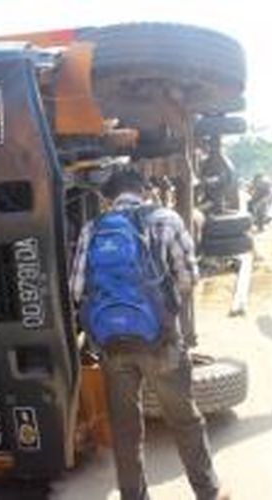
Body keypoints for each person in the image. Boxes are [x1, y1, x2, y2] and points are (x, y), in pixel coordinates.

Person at [70, 169, 226, 500]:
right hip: (162, 342)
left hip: (112, 345)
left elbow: (77, 288)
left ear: (109, 197)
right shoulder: (166, 219)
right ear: (144, 192)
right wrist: (161, 308)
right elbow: (188, 278)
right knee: (184, 420)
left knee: (126, 429)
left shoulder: (92, 229)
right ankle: (208, 492)